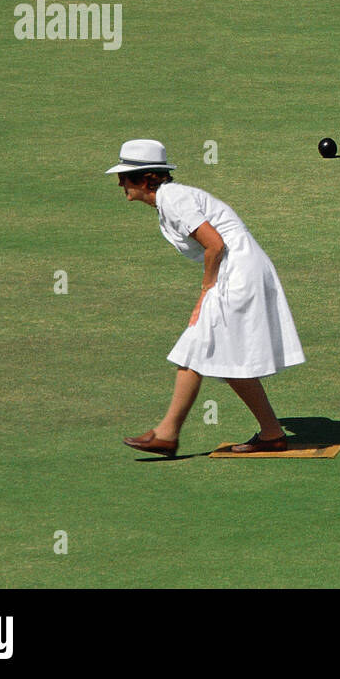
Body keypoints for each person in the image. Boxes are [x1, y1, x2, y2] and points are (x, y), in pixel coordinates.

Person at [107, 139, 305, 456]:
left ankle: (167, 433)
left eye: (125, 177)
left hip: (238, 272)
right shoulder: (169, 200)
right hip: (240, 269)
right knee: (220, 353)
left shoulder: (172, 198)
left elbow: (214, 244)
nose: (119, 182)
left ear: (146, 179)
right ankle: (271, 433)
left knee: (198, 342)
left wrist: (205, 291)